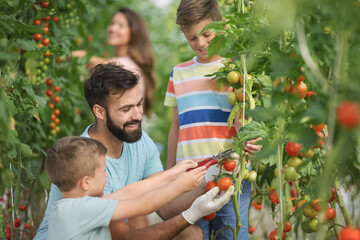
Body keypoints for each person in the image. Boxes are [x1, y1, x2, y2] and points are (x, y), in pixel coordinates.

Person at [35, 62, 222, 240]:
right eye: (126, 109)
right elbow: (122, 233)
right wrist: (191, 213)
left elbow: (150, 199)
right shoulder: (86, 163)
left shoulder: (138, 140)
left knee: (190, 234)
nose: (138, 115)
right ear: (100, 112)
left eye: (139, 104)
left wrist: (209, 179)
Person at [160, 0, 262, 239]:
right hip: (189, 179)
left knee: (232, 233)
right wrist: (169, 172)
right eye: (192, 38)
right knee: (194, 234)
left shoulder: (235, 69)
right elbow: (177, 125)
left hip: (229, 173)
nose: (201, 43)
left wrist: (251, 139)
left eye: (206, 34)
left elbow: (243, 122)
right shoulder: (179, 72)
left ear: (220, 25)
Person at [45, 136, 234, 239]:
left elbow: (126, 193)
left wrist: (172, 173)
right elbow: (146, 203)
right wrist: (181, 190)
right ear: (86, 182)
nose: (106, 175)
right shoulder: (84, 210)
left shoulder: (69, 207)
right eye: (103, 171)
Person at [73, 7, 155, 118]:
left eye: (120, 26)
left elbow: (89, 61)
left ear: (133, 32)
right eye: (112, 23)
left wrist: (68, 53)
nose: (112, 28)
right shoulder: (128, 62)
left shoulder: (126, 64)